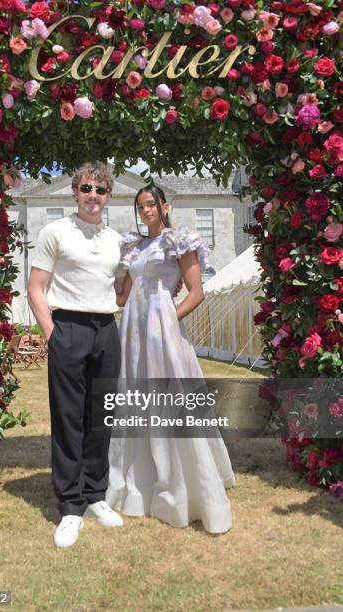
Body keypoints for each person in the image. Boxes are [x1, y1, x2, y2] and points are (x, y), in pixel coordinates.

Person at [107, 185, 235, 533]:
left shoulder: (178, 240)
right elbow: (121, 299)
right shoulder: (133, 246)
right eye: (140, 206)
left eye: (151, 204)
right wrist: (120, 271)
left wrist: (168, 320)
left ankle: (188, 486)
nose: (145, 210)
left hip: (163, 332)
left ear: (164, 206)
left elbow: (197, 292)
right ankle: (141, 483)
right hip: (132, 332)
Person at [27, 162, 124, 548]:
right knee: (69, 417)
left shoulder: (115, 239)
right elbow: (36, 287)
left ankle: (96, 495)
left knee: (101, 417)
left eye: (100, 190)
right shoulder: (55, 232)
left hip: (106, 330)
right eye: (87, 188)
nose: (93, 196)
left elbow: (118, 291)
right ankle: (70, 507)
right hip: (68, 328)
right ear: (74, 191)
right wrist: (53, 334)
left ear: (108, 196)